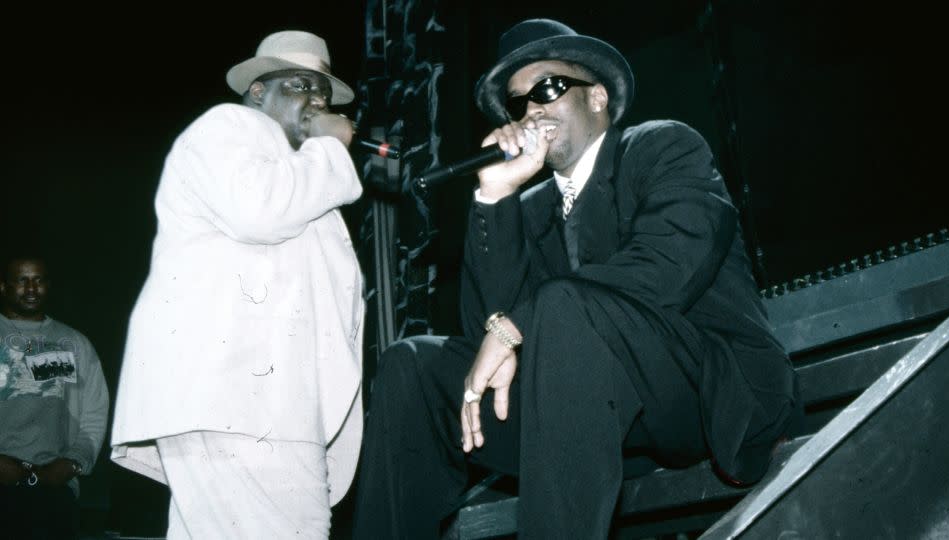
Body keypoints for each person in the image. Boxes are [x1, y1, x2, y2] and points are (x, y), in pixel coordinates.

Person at [352, 18, 801, 539]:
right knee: (412, 365)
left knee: (563, 305)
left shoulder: (661, 148)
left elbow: (665, 270)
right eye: (519, 104)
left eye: (547, 88)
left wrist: (519, 322)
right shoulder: (529, 208)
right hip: (584, 418)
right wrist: (496, 196)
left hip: (700, 393)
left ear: (598, 97)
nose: (532, 112)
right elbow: (488, 333)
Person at [110, 30, 364, 539]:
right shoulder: (228, 128)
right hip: (245, 408)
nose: (316, 99)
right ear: (256, 92)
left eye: (323, 91)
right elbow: (259, 211)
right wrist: (331, 149)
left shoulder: (298, 174)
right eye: (298, 84)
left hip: (254, 411)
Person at [0, 255, 110, 540]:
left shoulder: (75, 343)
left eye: (39, 280)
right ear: (4, 286)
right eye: (22, 280)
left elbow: (95, 412)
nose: (31, 289)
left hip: (53, 491)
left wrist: (73, 462)